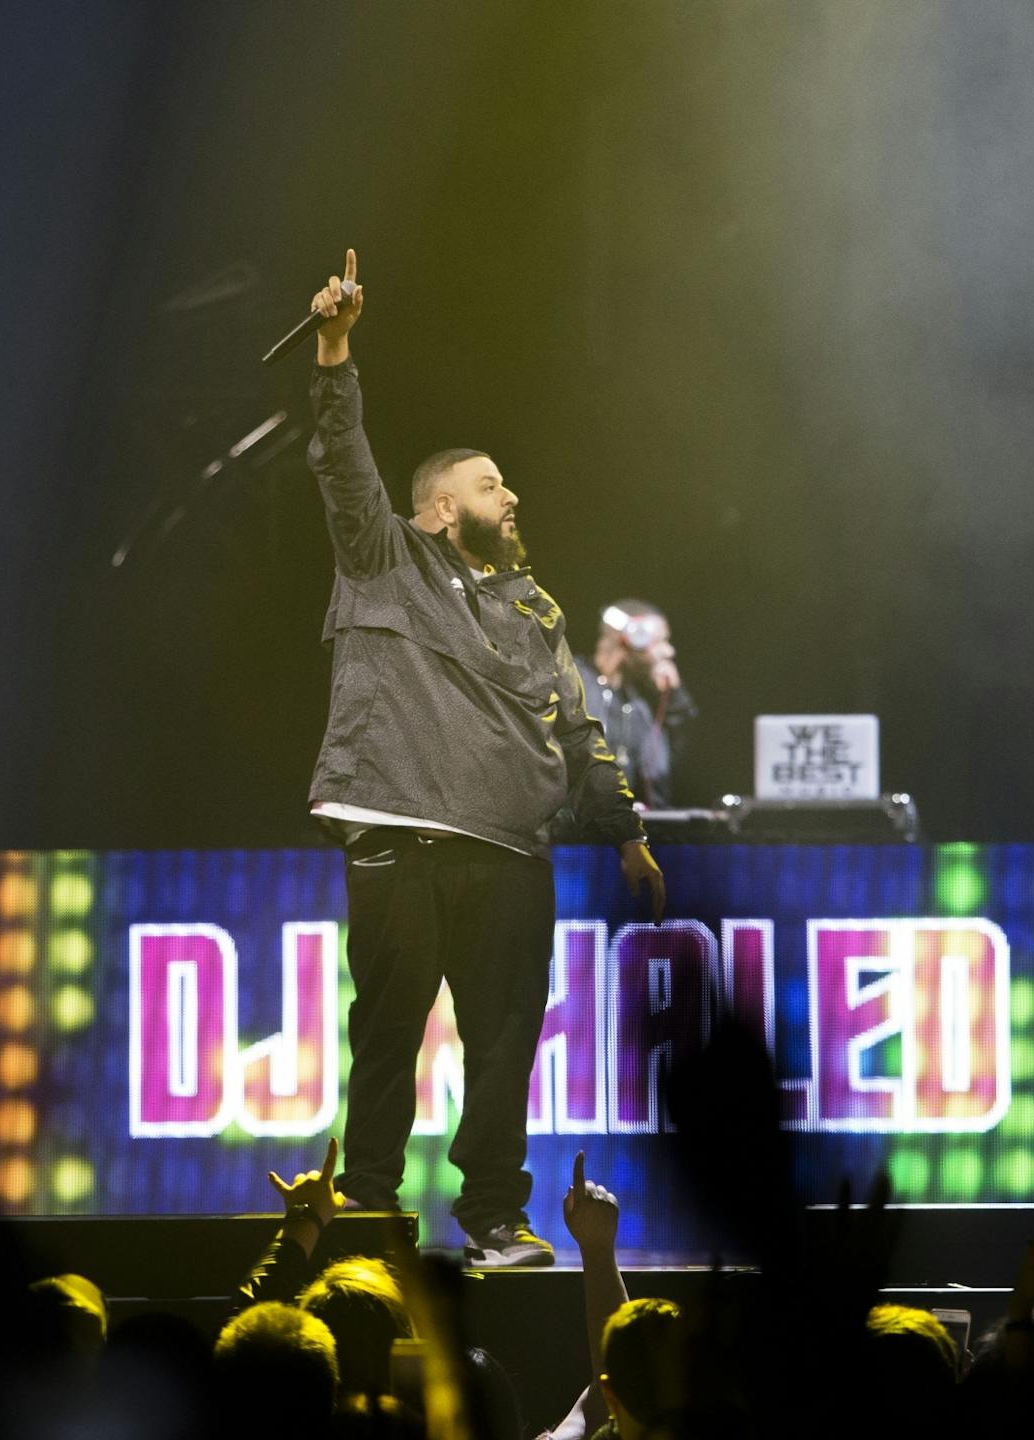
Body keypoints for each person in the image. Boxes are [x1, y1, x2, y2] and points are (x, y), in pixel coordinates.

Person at [299, 250, 667, 1268]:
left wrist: (628, 834)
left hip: (511, 849)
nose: (511, 494)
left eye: (507, 482)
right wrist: (335, 347)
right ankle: (370, 1216)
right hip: (402, 840)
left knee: (506, 1045)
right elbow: (342, 461)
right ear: (433, 508)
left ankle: (496, 1220)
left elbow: (580, 724)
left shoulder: (534, 606)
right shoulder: (384, 558)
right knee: (388, 1039)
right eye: (488, 483)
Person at [574, 601, 696, 809]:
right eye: (661, 642)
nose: (669, 651)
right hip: (570, 831)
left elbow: (662, 769)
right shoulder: (572, 682)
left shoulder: (637, 705)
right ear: (634, 638)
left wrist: (674, 698)